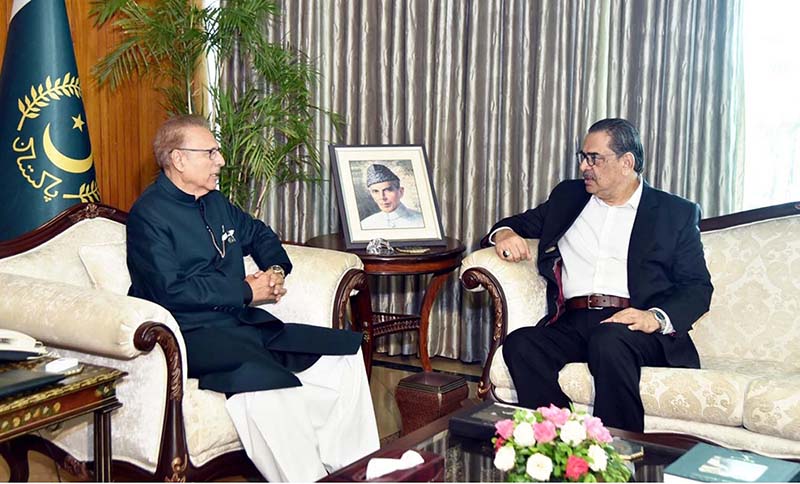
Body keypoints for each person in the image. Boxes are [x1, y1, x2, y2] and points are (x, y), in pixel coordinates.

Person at [126, 115, 379, 482]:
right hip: (190, 335)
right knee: (268, 379)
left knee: (343, 352)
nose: (221, 161)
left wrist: (275, 269)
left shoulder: (214, 202)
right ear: (179, 159)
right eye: (210, 153)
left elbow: (259, 234)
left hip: (239, 324)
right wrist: (246, 291)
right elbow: (170, 291)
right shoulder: (149, 216)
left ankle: (354, 470)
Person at [487, 118, 713, 432]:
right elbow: (516, 224)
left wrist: (655, 318)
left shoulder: (674, 213)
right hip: (574, 322)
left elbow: (697, 287)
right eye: (582, 157)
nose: (584, 167)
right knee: (521, 344)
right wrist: (505, 234)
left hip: (635, 325)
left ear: (627, 163)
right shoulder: (569, 197)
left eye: (594, 158)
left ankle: (620, 455)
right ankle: (565, 440)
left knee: (609, 342)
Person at [360, 163, 424, 229]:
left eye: (388, 190)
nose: (382, 197)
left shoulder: (421, 221)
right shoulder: (365, 225)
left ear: (401, 192)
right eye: (376, 191)